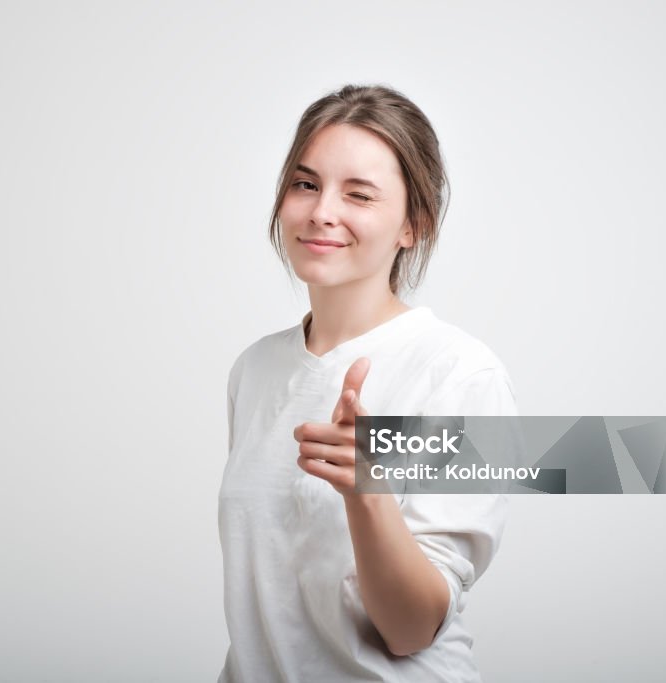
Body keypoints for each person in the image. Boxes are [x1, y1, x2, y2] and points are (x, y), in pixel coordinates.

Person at [218, 84, 518, 682]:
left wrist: (367, 494)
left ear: (414, 226)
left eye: (359, 194)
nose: (321, 211)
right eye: (306, 184)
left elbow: (411, 631)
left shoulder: (460, 374)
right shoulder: (256, 369)